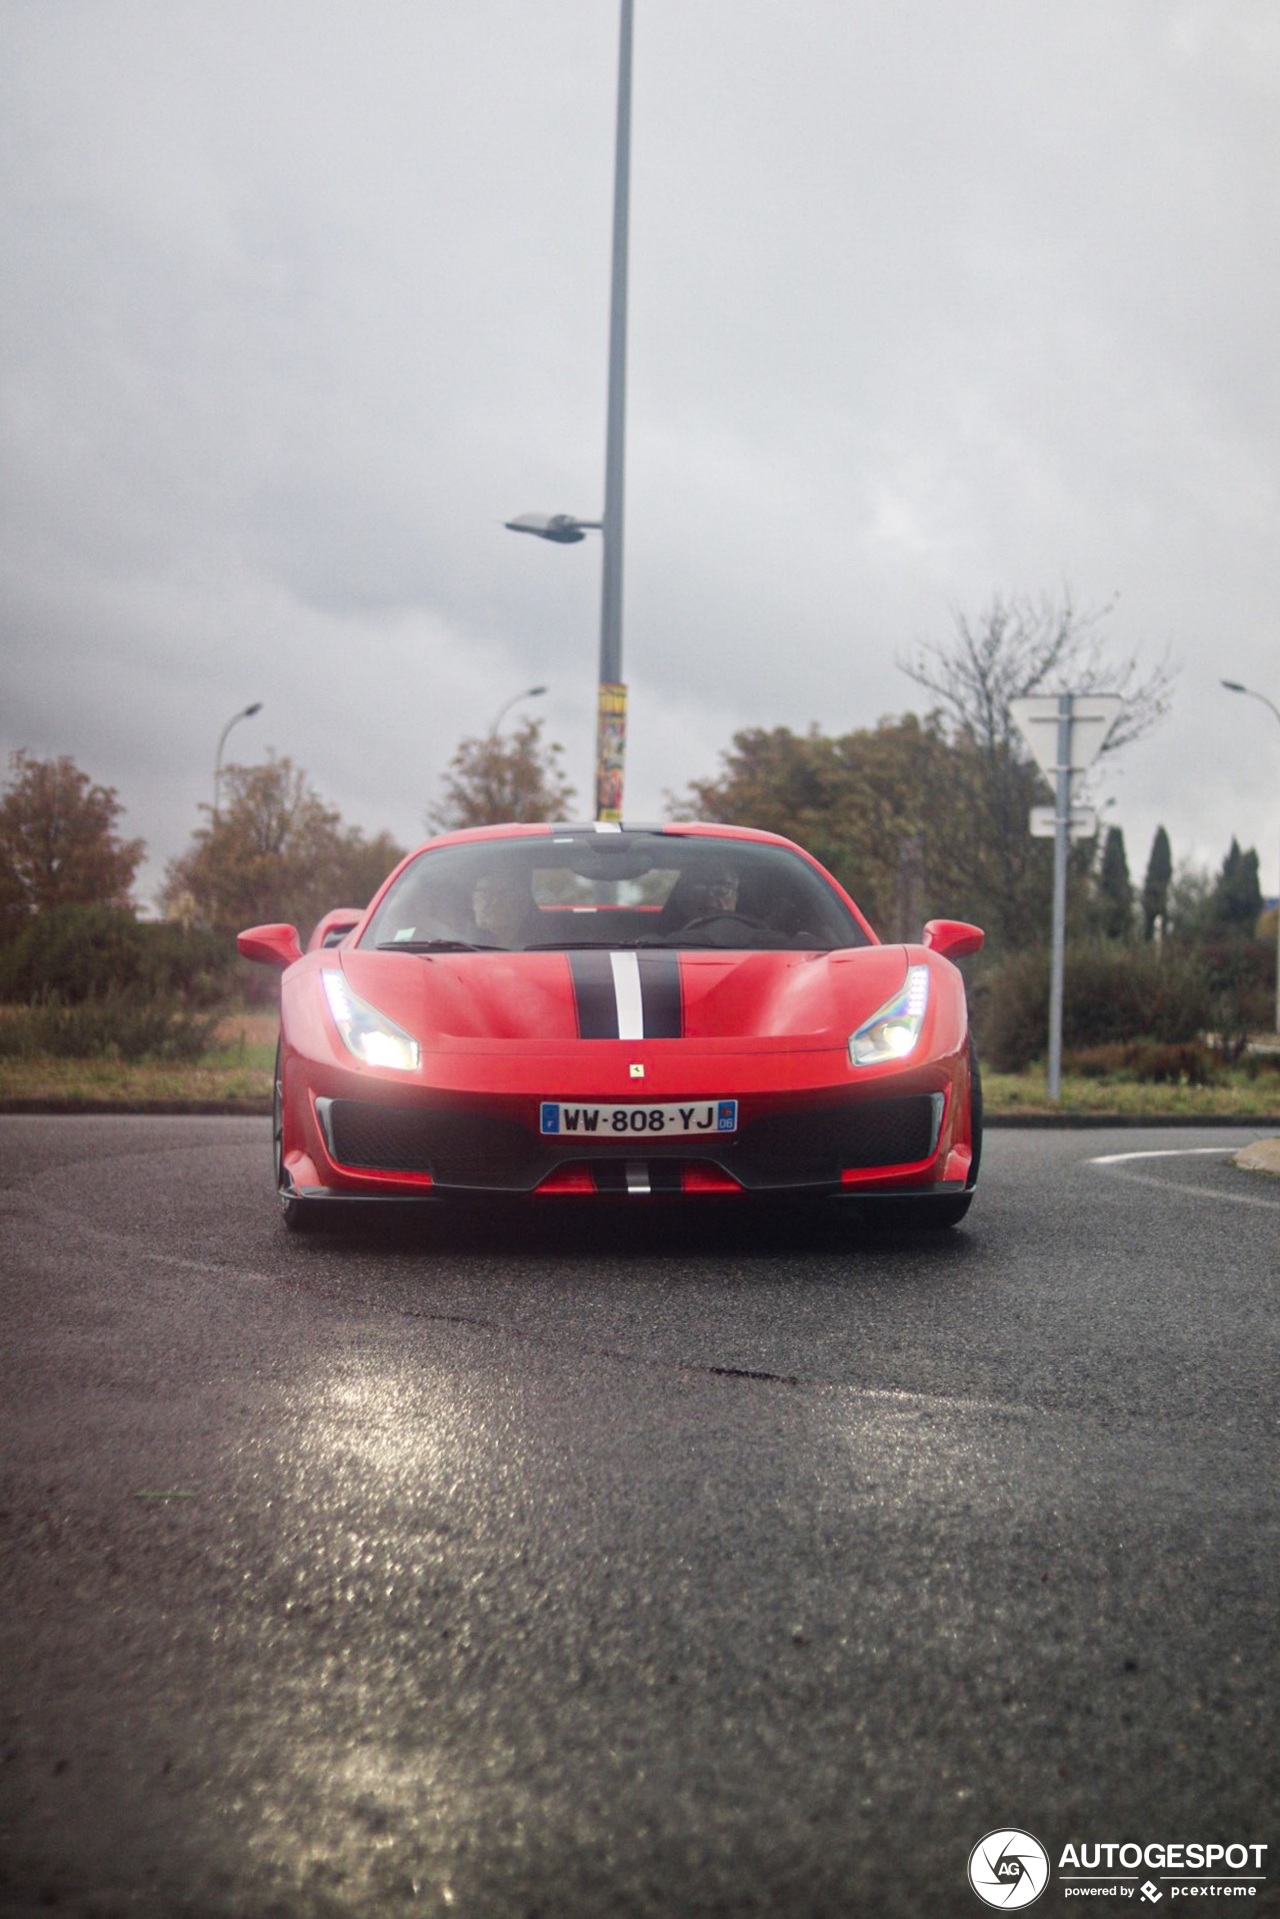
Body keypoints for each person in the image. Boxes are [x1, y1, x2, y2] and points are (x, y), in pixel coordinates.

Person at [471, 868, 538, 947]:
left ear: (524, 903)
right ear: (473, 901)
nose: (495, 902)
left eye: (506, 895)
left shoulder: (545, 942)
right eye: (486, 893)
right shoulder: (461, 941)